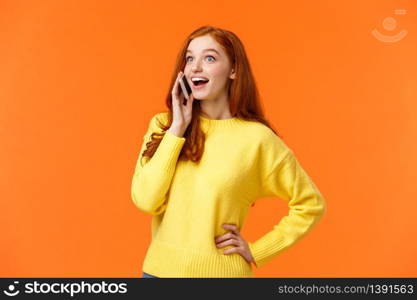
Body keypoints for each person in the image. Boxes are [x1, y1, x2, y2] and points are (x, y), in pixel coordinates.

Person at [131, 25, 326, 278]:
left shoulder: (257, 139)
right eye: (190, 58)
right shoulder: (165, 126)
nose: (195, 67)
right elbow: (146, 200)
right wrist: (178, 128)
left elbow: (311, 204)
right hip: (157, 275)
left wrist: (258, 251)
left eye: (209, 58)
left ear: (233, 70)